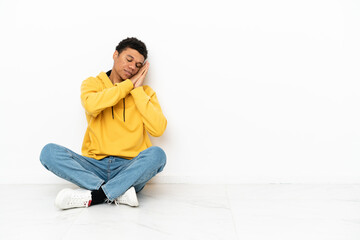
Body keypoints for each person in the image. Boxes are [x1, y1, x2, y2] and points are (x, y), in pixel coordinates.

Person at [40, 37, 167, 210]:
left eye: (138, 65)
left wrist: (136, 91)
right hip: (94, 166)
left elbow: (158, 129)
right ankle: (119, 192)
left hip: (129, 168)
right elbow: (92, 106)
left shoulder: (145, 93)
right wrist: (127, 86)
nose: (132, 67)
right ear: (115, 55)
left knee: (157, 155)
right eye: (129, 59)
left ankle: (97, 194)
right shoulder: (93, 83)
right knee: (49, 153)